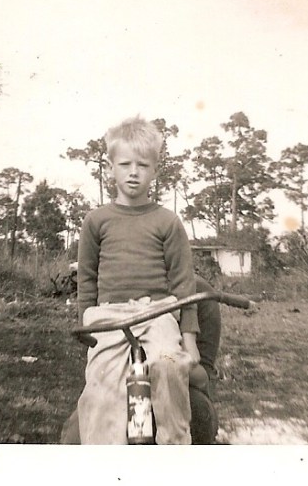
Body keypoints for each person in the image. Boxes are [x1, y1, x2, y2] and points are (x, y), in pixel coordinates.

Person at [74, 116, 200, 444]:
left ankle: (175, 444)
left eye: (142, 165)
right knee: (101, 390)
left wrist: (189, 341)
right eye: (125, 164)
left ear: (154, 171)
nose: (134, 172)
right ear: (110, 168)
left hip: (158, 313)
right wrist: (87, 328)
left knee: (168, 365)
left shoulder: (167, 221)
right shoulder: (96, 221)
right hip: (109, 316)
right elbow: (86, 279)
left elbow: (184, 284)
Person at [61, 275, 222, 444]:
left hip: (180, 390)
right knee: (75, 435)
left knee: (197, 415)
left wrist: (167, 358)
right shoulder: (109, 287)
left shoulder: (199, 291)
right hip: (117, 386)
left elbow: (203, 377)